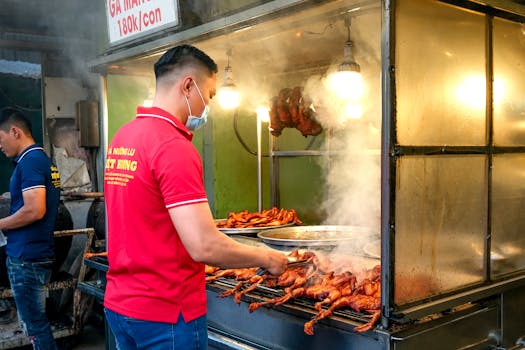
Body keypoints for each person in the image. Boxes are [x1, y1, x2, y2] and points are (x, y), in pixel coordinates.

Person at [103, 44, 288, 349]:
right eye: (210, 95)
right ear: (188, 85)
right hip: (166, 313)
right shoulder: (172, 146)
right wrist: (266, 257)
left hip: (121, 305)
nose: (207, 107)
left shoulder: (124, 137)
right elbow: (204, 245)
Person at [0, 108, 61, 350]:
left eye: (0, 139)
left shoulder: (31, 161)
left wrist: (1, 224)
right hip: (32, 255)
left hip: (26, 258)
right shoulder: (40, 159)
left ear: (14, 132)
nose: (0, 146)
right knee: (35, 324)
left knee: (36, 326)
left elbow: (35, 210)